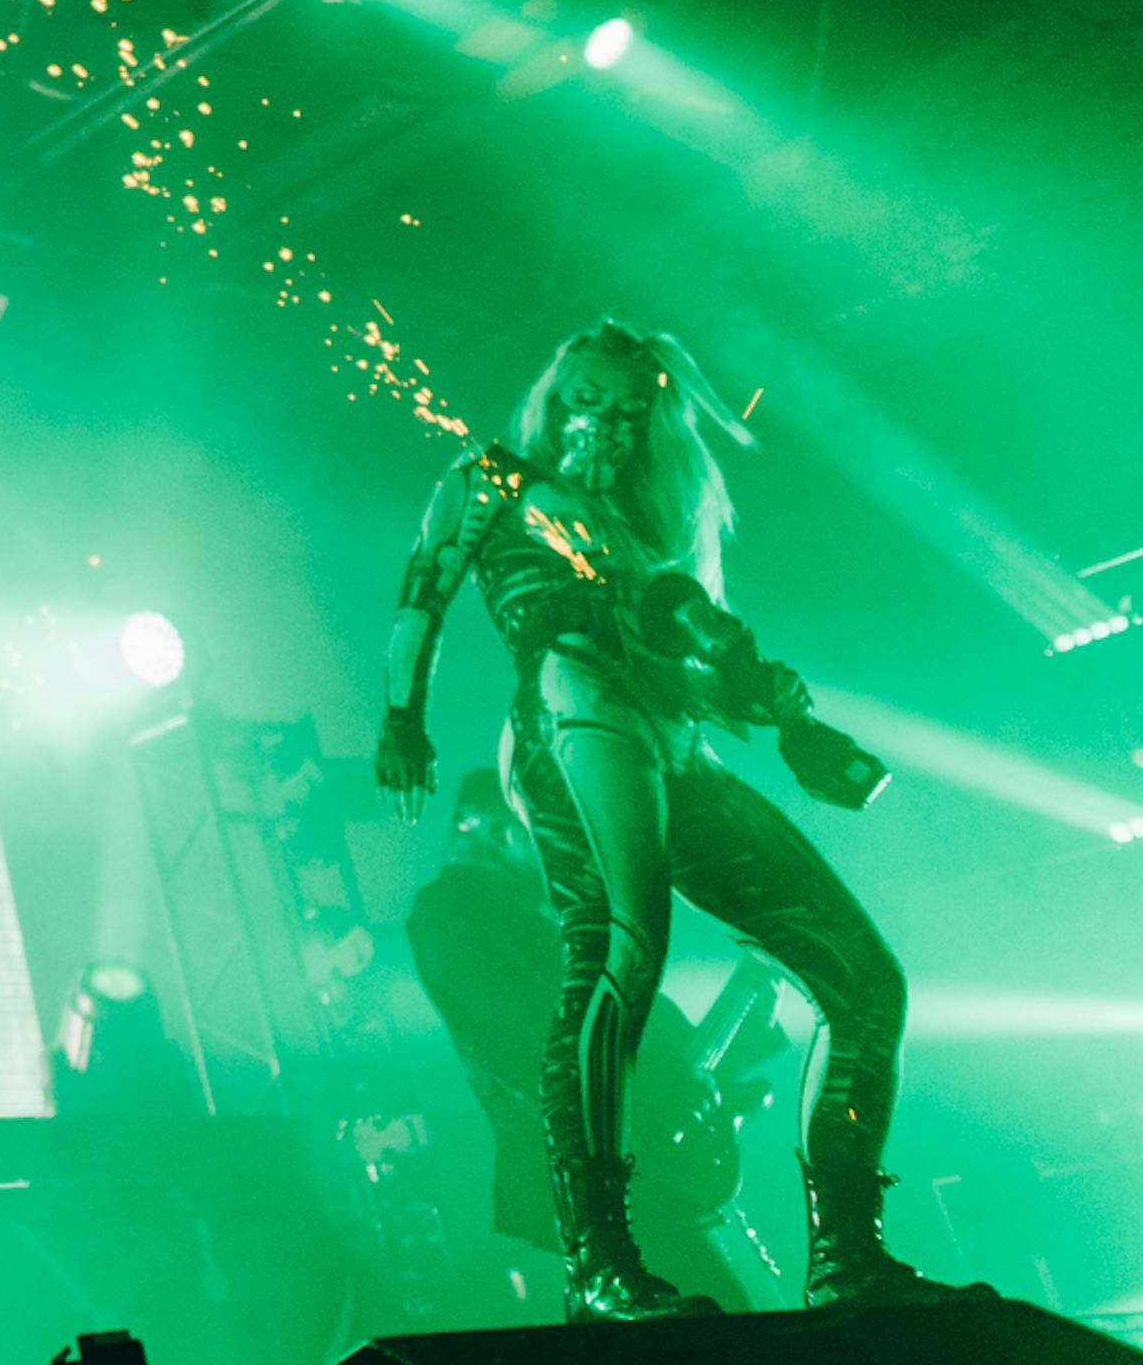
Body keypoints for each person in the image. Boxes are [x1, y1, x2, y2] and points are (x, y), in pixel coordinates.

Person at [371, 321, 965, 1318]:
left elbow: (688, 657)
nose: (598, 423)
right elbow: (424, 590)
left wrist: (771, 709)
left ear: (652, 420)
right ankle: (601, 1259)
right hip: (574, 710)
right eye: (581, 400)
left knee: (865, 982)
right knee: (619, 952)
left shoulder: (651, 529)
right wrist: (402, 713)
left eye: (623, 407)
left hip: (671, 733)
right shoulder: (496, 480)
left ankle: (849, 1257)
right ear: (551, 400)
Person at [404, 770, 754, 1312]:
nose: (564, 856)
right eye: (550, 837)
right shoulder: (450, 911)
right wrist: (657, 1081)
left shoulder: (528, 920)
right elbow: (522, 1039)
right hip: (587, 1184)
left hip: (629, 1171)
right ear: (502, 834)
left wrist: (699, 1080)